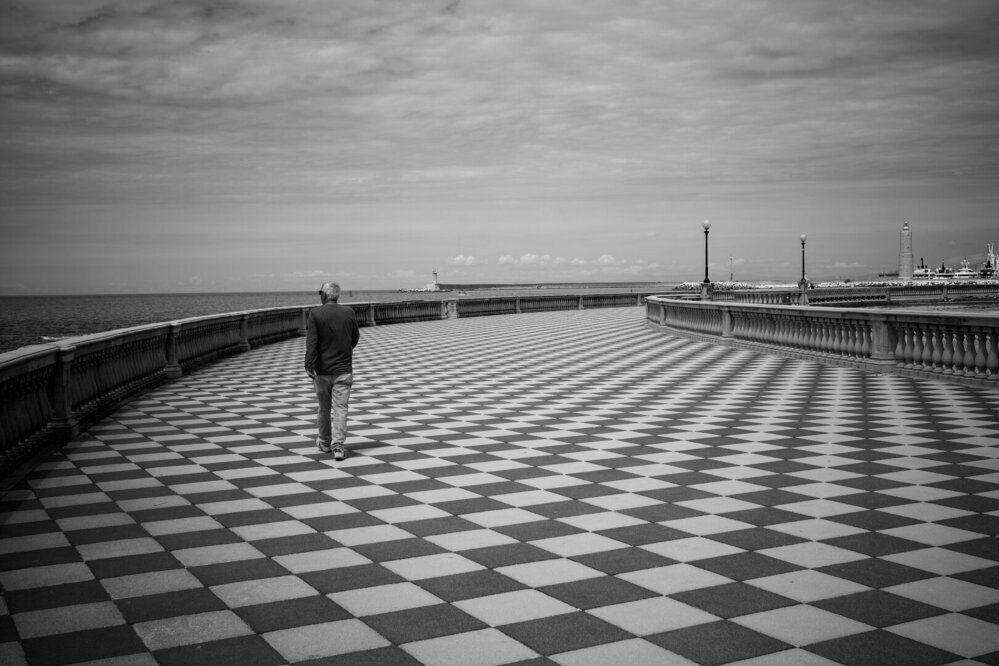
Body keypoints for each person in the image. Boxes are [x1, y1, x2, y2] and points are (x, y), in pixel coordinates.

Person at [305, 281, 360, 460]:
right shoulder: (349, 312)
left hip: (322, 370)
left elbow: (311, 343)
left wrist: (308, 364)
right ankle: (338, 445)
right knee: (340, 408)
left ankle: (324, 441)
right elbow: (355, 337)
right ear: (337, 295)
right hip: (343, 369)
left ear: (323, 294)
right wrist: (345, 351)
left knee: (324, 408)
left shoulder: (315, 313)